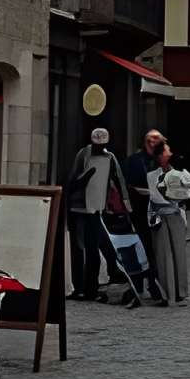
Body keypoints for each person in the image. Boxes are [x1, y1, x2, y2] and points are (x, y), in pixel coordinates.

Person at [65, 129, 129, 302]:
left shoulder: (110, 157)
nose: (99, 148)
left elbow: (119, 180)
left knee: (93, 248)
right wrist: (83, 179)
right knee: (79, 249)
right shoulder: (84, 154)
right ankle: (80, 288)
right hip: (79, 208)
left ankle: (91, 288)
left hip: (96, 209)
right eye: (97, 145)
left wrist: (127, 206)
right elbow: (72, 179)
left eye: (102, 146)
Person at [148, 142, 190, 303]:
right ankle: (166, 292)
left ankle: (180, 290)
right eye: (165, 153)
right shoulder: (151, 176)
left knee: (179, 253)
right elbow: (153, 196)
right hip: (160, 215)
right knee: (163, 255)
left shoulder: (181, 174)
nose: (168, 156)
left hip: (176, 214)